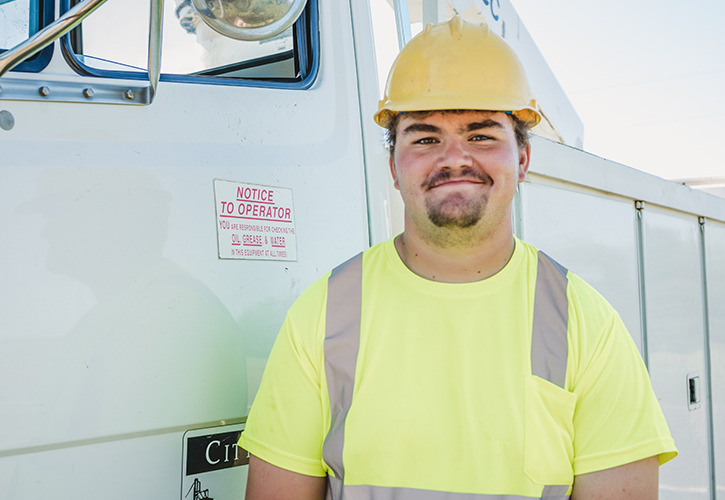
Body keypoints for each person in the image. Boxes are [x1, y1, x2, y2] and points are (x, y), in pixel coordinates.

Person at [238, 16, 677, 499]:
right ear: (392, 166)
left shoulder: (587, 326)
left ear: (524, 160)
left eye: (482, 135)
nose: (454, 157)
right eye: (425, 138)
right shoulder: (322, 315)